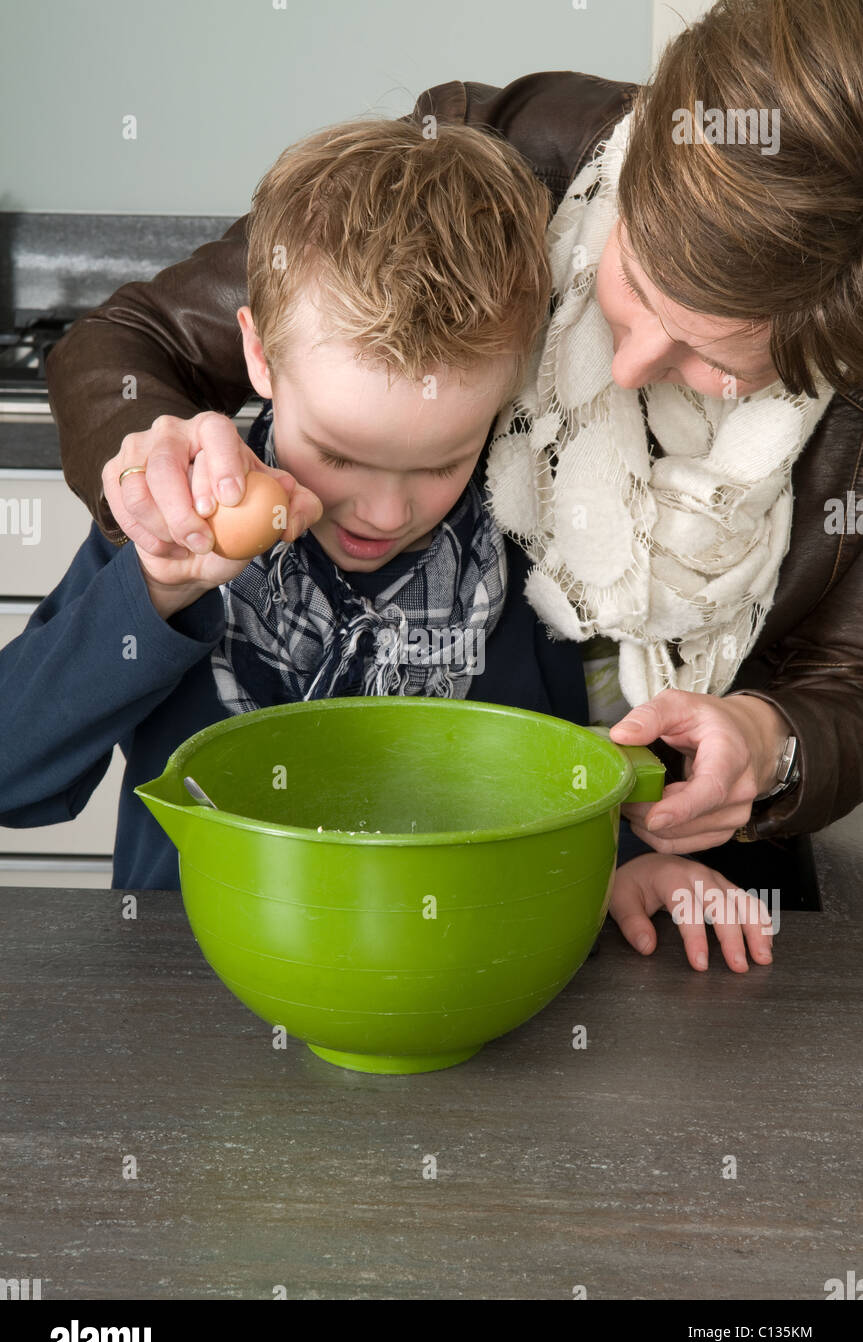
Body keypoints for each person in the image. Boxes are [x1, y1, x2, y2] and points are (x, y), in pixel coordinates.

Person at [47, 0, 863, 890]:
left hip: (678, 891)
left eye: (711, 357)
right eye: (634, 280)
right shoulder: (487, 165)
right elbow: (137, 340)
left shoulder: (515, 590)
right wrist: (155, 494)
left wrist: (774, 746)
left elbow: (579, 758)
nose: (627, 369)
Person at [1, 114, 773, 973]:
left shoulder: (534, 541)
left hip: (469, 985)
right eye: (335, 453)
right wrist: (155, 591)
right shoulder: (178, 520)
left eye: (442, 461)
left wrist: (630, 869)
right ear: (258, 353)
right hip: (198, 995)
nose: (382, 510)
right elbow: (13, 775)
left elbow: (560, 776)